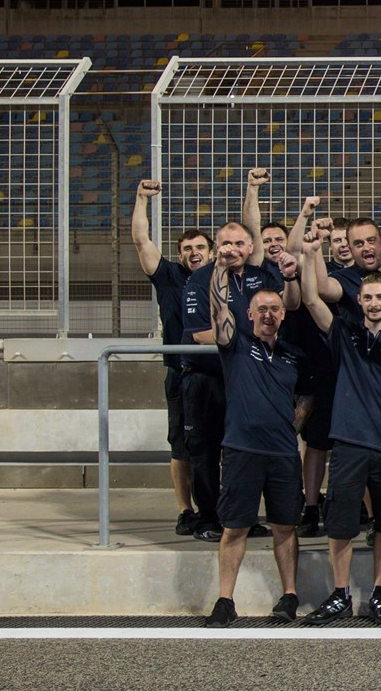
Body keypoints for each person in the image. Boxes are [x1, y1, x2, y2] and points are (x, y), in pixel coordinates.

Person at [296, 235, 381, 625]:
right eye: (367, 298)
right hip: (347, 444)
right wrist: (311, 254)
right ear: (360, 301)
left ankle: (379, 594)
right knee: (342, 525)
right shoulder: (345, 335)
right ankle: (341, 592)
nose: (374, 303)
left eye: (380, 297)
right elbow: (313, 300)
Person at [201, 257, 308, 628]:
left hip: (282, 452)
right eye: (261, 309)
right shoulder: (235, 345)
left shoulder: (294, 354)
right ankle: (225, 600)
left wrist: (291, 426)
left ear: (283, 314)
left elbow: (306, 398)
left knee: (284, 527)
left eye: (274, 309)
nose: (268, 314)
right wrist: (219, 268)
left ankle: (290, 595)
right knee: (235, 527)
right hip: (241, 449)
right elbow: (218, 309)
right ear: (248, 313)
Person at [130, 178, 211, 537]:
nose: (194, 253)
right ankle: (185, 509)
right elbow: (141, 240)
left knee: (216, 446)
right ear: (180, 254)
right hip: (180, 373)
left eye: (200, 247)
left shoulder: (221, 277)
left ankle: (219, 508)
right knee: (181, 445)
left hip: (219, 373)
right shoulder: (169, 277)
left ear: (211, 252)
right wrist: (141, 199)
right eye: (188, 248)